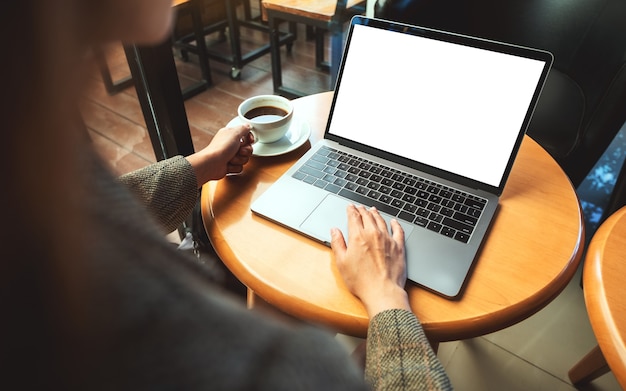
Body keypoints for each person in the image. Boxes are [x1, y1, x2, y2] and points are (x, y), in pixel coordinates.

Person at [0, 0, 452, 390]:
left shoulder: (35, 165)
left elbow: (92, 207)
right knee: (420, 324)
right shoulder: (257, 366)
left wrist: (201, 166)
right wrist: (388, 300)